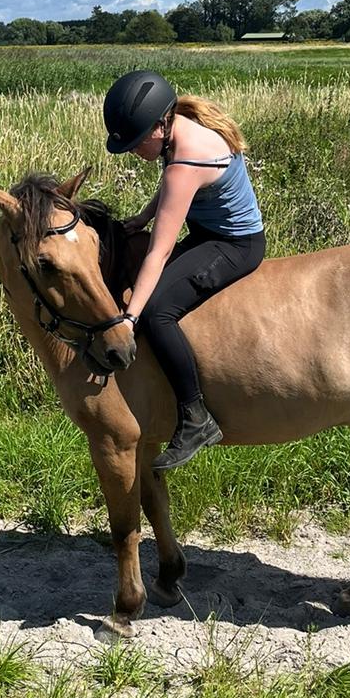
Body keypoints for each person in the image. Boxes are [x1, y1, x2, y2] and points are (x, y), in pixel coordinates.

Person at [103, 69, 266, 470]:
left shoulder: (186, 159)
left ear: (161, 124)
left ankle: (196, 418)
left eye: (139, 140)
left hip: (234, 245)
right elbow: (170, 188)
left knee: (158, 313)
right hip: (208, 232)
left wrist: (129, 318)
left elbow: (158, 253)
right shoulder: (180, 132)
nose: (135, 149)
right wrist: (142, 217)